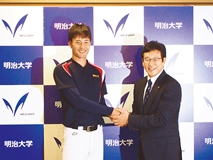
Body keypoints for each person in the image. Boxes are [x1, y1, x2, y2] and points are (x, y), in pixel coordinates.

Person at [53, 23, 120, 160]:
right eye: (78, 42)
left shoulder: (99, 71)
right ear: (70, 44)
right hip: (75, 135)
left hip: (96, 134)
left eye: (86, 42)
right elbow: (77, 101)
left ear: (90, 43)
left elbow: (100, 103)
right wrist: (111, 111)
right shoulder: (62, 69)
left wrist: (119, 115)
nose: (82, 47)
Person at [111, 40, 182, 160]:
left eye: (155, 59)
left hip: (165, 152)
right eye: (147, 59)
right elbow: (139, 114)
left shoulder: (171, 85)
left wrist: (128, 119)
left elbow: (161, 119)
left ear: (164, 60)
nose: (151, 63)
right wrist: (120, 115)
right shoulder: (139, 84)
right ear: (143, 62)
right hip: (143, 150)